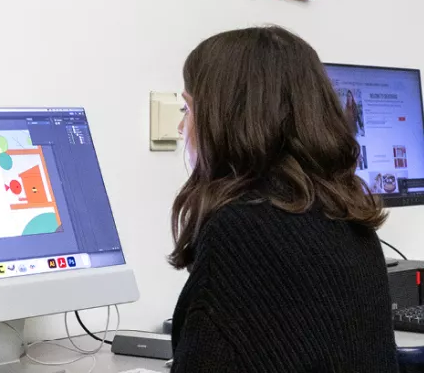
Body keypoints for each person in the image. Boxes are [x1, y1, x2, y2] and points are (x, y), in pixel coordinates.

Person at [170, 26, 398, 372]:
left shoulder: (238, 231)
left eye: (188, 109)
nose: (181, 127)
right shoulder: (347, 214)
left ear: (225, 120)